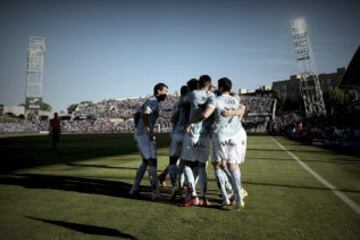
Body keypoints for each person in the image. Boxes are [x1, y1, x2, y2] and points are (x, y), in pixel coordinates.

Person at [186, 77, 246, 210]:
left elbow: (205, 115)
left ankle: (225, 197)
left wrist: (191, 122)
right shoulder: (235, 100)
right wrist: (232, 112)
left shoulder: (215, 99)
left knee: (217, 165)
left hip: (220, 135)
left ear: (220, 87)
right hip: (235, 135)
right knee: (233, 165)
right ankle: (239, 197)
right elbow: (242, 109)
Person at [129, 83, 169, 201]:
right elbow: (145, 114)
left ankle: (134, 188)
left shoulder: (149, 100)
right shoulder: (153, 101)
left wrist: (138, 129)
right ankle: (156, 194)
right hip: (145, 136)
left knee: (145, 162)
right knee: (152, 162)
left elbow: (136, 115)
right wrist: (149, 131)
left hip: (140, 135)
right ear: (158, 91)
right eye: (165, 91)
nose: (167, 94)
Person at [180, 75, 213, 207]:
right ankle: (204, 198)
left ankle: (193, 195)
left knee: (187, 164)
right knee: (201, 166)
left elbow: (182, 101)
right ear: (209, 84)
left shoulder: (193, 93)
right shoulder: (212, 96)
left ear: (199, 83)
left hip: (193, 133)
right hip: (205, 136)